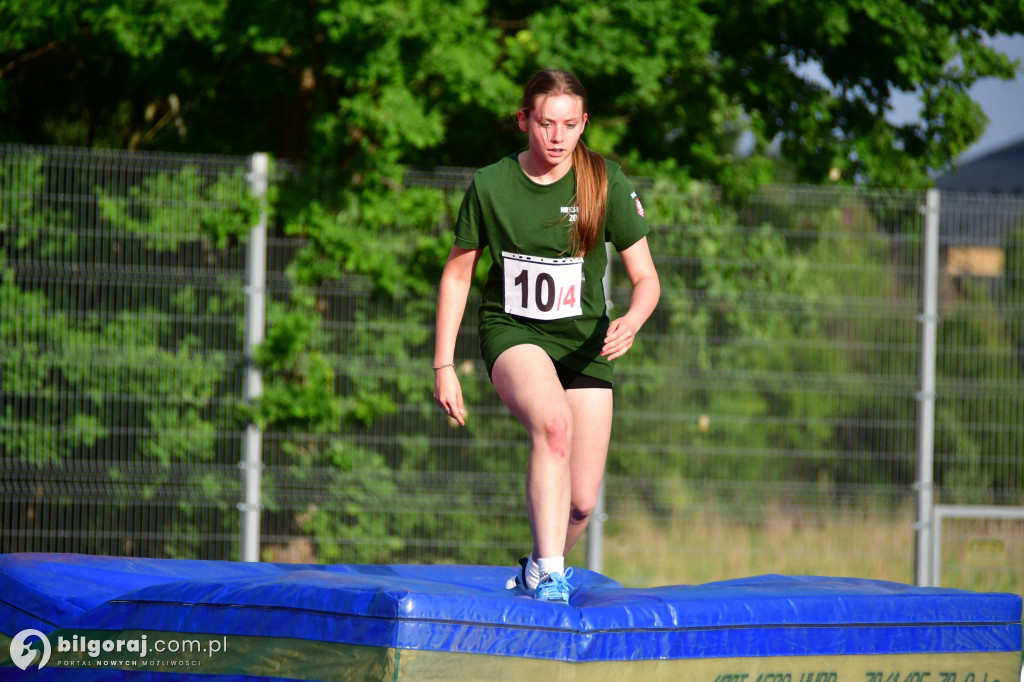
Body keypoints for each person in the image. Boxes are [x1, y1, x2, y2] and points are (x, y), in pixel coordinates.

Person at [432, 69, 660, 604]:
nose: (557, 137)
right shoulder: (490, 185)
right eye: (545, 123)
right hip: (513, 332)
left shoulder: (604, 181)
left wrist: (632, 319)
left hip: (586, 344)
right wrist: (444, 364)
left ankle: (538, 564)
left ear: (584, 125)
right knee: (553, 423)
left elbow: (647, 280)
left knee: (581, 504)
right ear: (524, 121)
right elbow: (458, 273)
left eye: (569, 125)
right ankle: (552, 577)